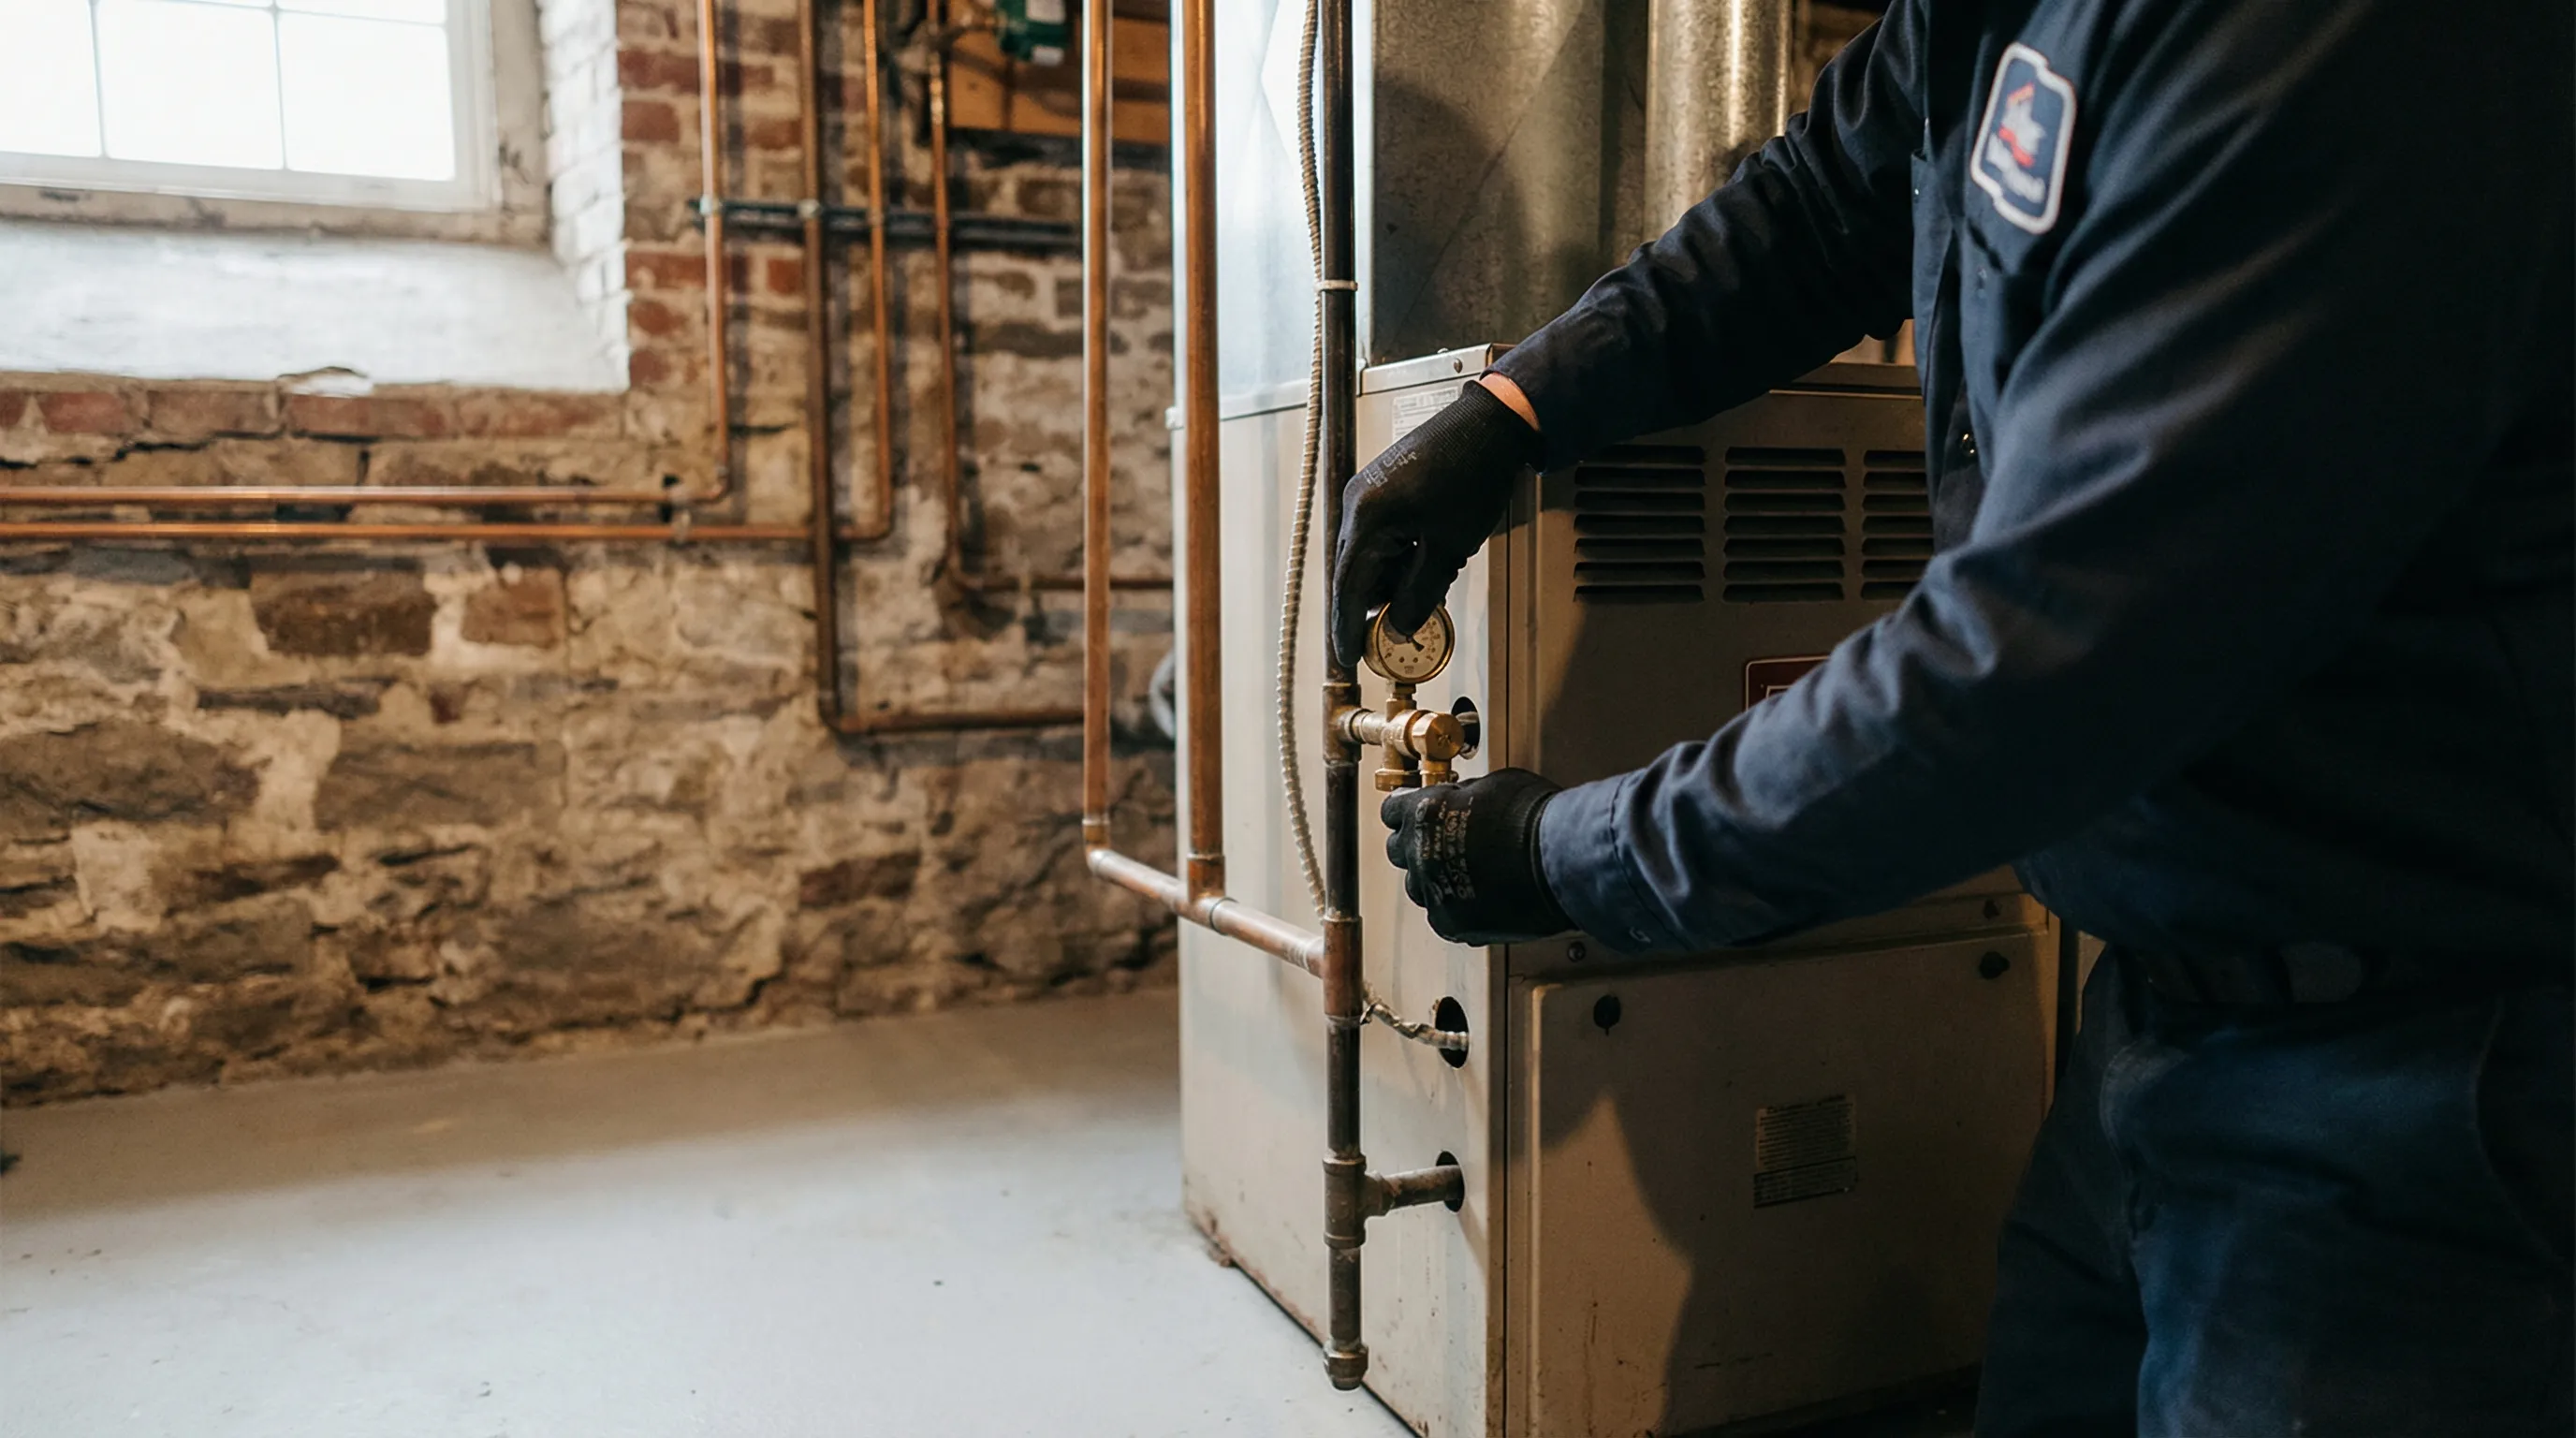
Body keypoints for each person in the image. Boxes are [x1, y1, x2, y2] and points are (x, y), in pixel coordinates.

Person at [1327, 0, 2572, 1432]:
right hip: (2163, 1014)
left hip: (2426, 1080)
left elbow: (2035, 664)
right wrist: (1520, 401)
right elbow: (1814, 206)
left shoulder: (2334, 42)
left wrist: (1571, 856)